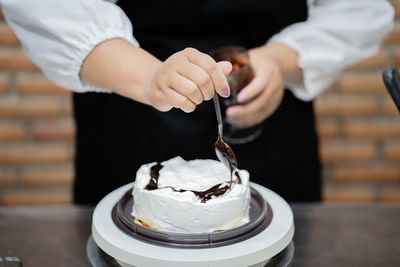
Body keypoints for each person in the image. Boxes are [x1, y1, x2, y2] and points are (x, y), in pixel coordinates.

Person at [1, 0, 393, 204]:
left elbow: (358, 10)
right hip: (130, 112)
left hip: (274, 129)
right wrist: (149, 77)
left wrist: (277, 60)